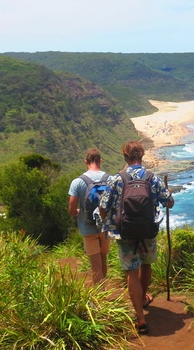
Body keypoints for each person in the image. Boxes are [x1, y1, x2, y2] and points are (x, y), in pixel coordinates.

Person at [99, 140, 174, 334]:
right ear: (141, 156)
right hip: (148, 231)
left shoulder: (117, 179)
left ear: (125, 157)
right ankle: (142, 298)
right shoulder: (152, 178)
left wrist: (111, 223)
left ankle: (140, 318)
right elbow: (169, 203)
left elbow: (103, 207)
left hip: (125, 232)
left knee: (131, 271)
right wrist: (169, 194)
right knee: (146, 265)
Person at [68, 148, 110, 284]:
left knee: (95, 265)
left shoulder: (77, 182)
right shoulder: (109, 179)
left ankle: (100, 297)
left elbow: (72, 208)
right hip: (105, 226)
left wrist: (79, 213)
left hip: (87, 228)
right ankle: (104, 292)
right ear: (100, 161)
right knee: (103, 260)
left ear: (86, 161)